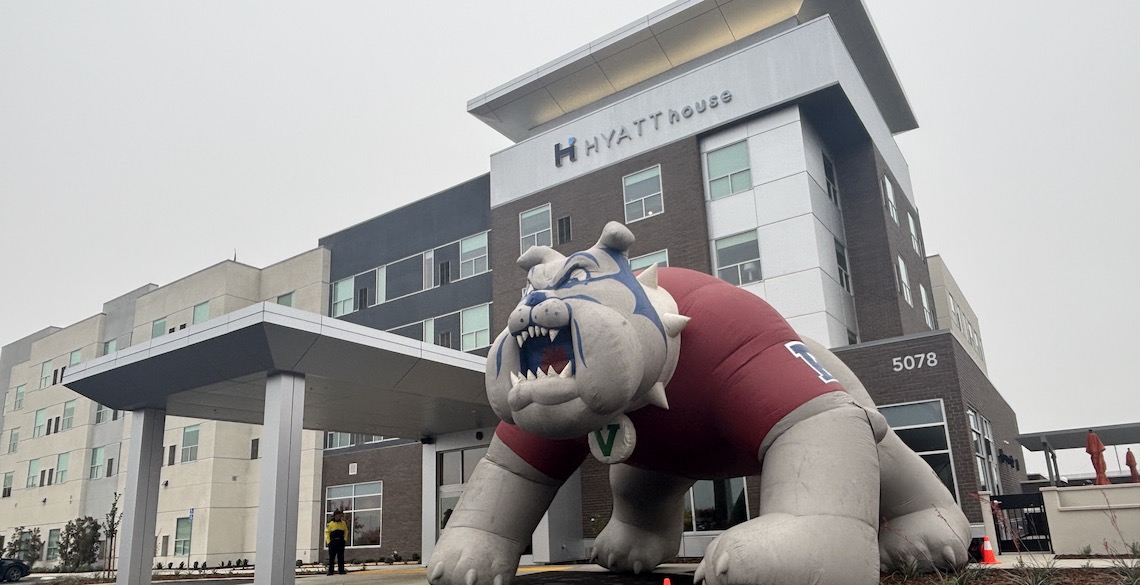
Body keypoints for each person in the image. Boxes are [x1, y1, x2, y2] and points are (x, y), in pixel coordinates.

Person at [325, 510, 348, 575]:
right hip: (333, 542)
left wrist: (344, 539)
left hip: (340, 541)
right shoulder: (330, 524)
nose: (338, 517)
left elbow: (346, 531)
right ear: (334, 516)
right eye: (337, 515)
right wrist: (328, 542)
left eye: (339, 515)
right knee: (332, 557)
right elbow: (327, 533)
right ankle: (330, 571)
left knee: (341, 556)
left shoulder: (343, 523)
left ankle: (341, 570)